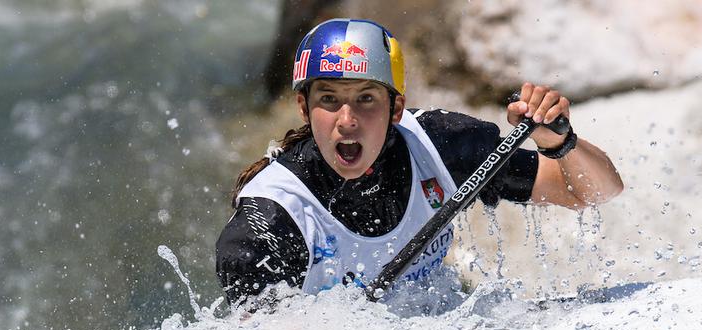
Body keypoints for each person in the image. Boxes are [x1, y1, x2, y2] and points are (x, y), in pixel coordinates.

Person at [216, 17, 623, 308]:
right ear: (303, 108)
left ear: (396, 109)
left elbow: (596, 191)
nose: (348, 120)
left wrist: (560, 141)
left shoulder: (441, 144)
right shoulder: (266, 224)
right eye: (328, 99)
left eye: (366, 98)